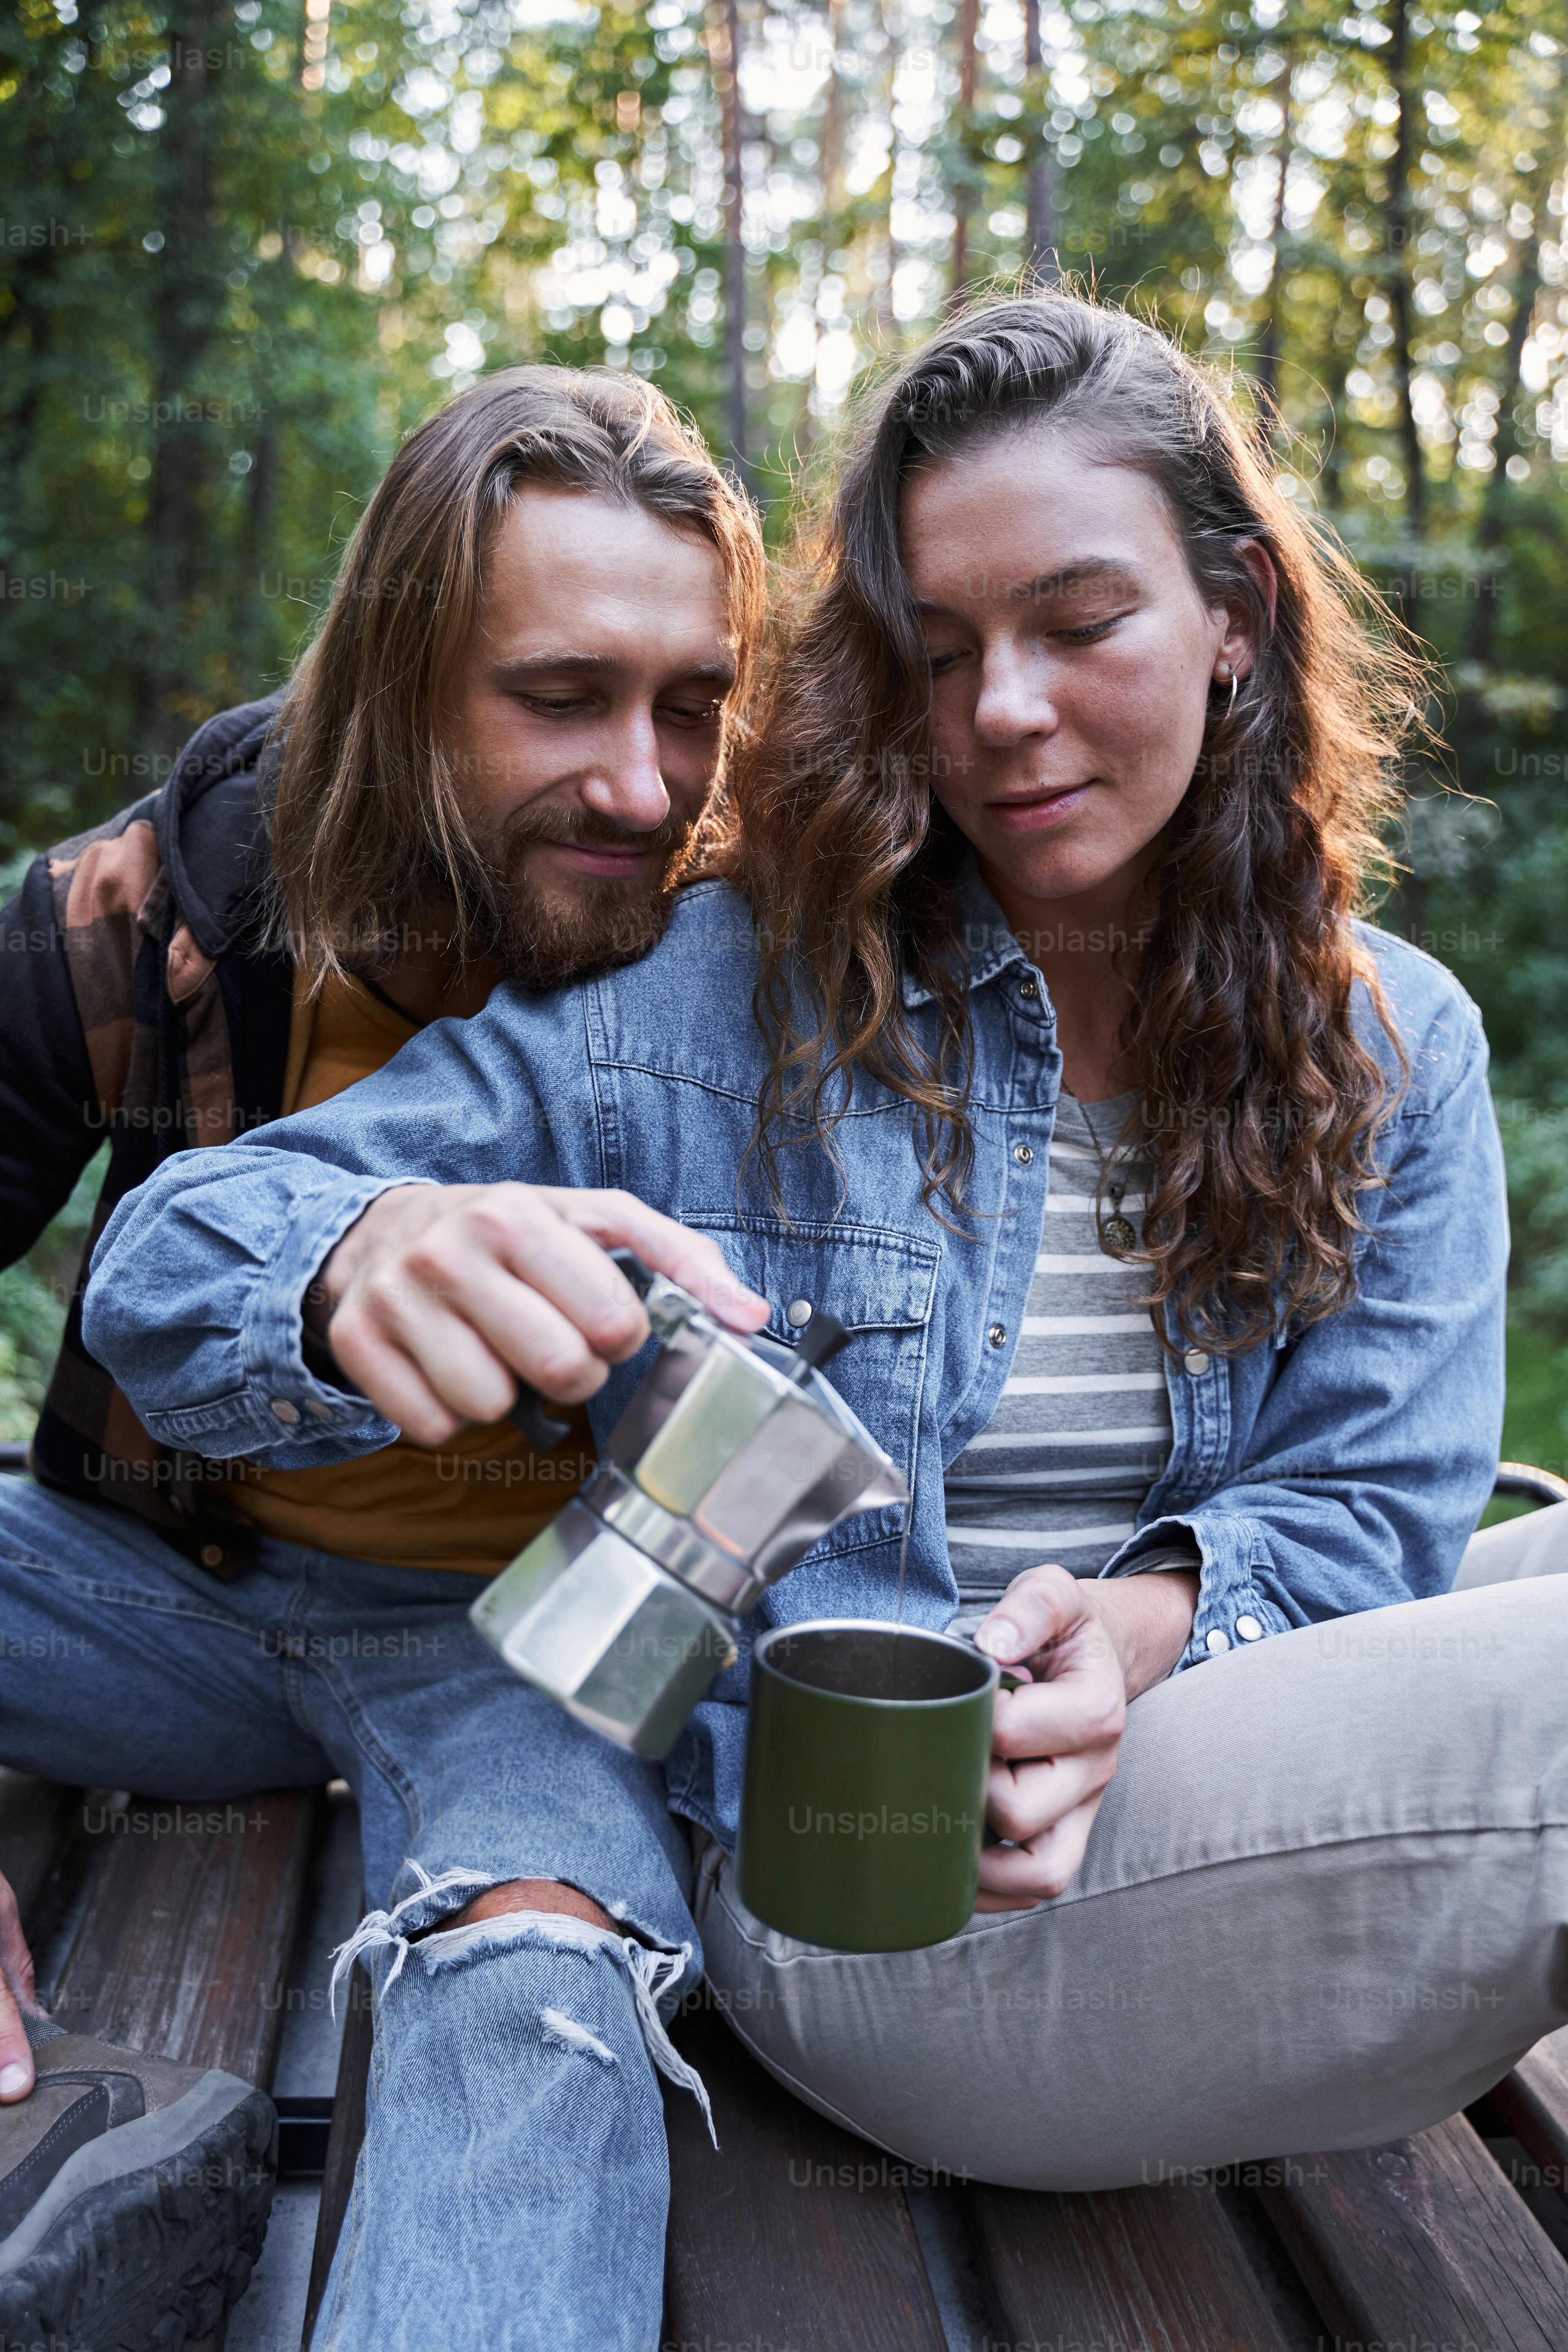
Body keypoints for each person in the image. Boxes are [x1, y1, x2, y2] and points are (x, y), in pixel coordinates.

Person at [75, 294, 1568, 2349]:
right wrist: (360, 1251)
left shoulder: (1393, 1039)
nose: (1007, 715)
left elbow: (1369, 1518)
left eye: (1080, 622)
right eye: (940, 654)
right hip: (888, 1889)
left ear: (1235, 613)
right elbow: (192, 1253)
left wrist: (1131, 1634)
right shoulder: (723, 999)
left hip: (1210, 1790)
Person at [0, 366, 766, 2347]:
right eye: (561, 694)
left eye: (695, 702)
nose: (645, 784)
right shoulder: (163, 907)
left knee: (539, 1987)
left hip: (526, 1657)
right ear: (405, 676)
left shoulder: (766, 938)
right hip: (147, 1591)